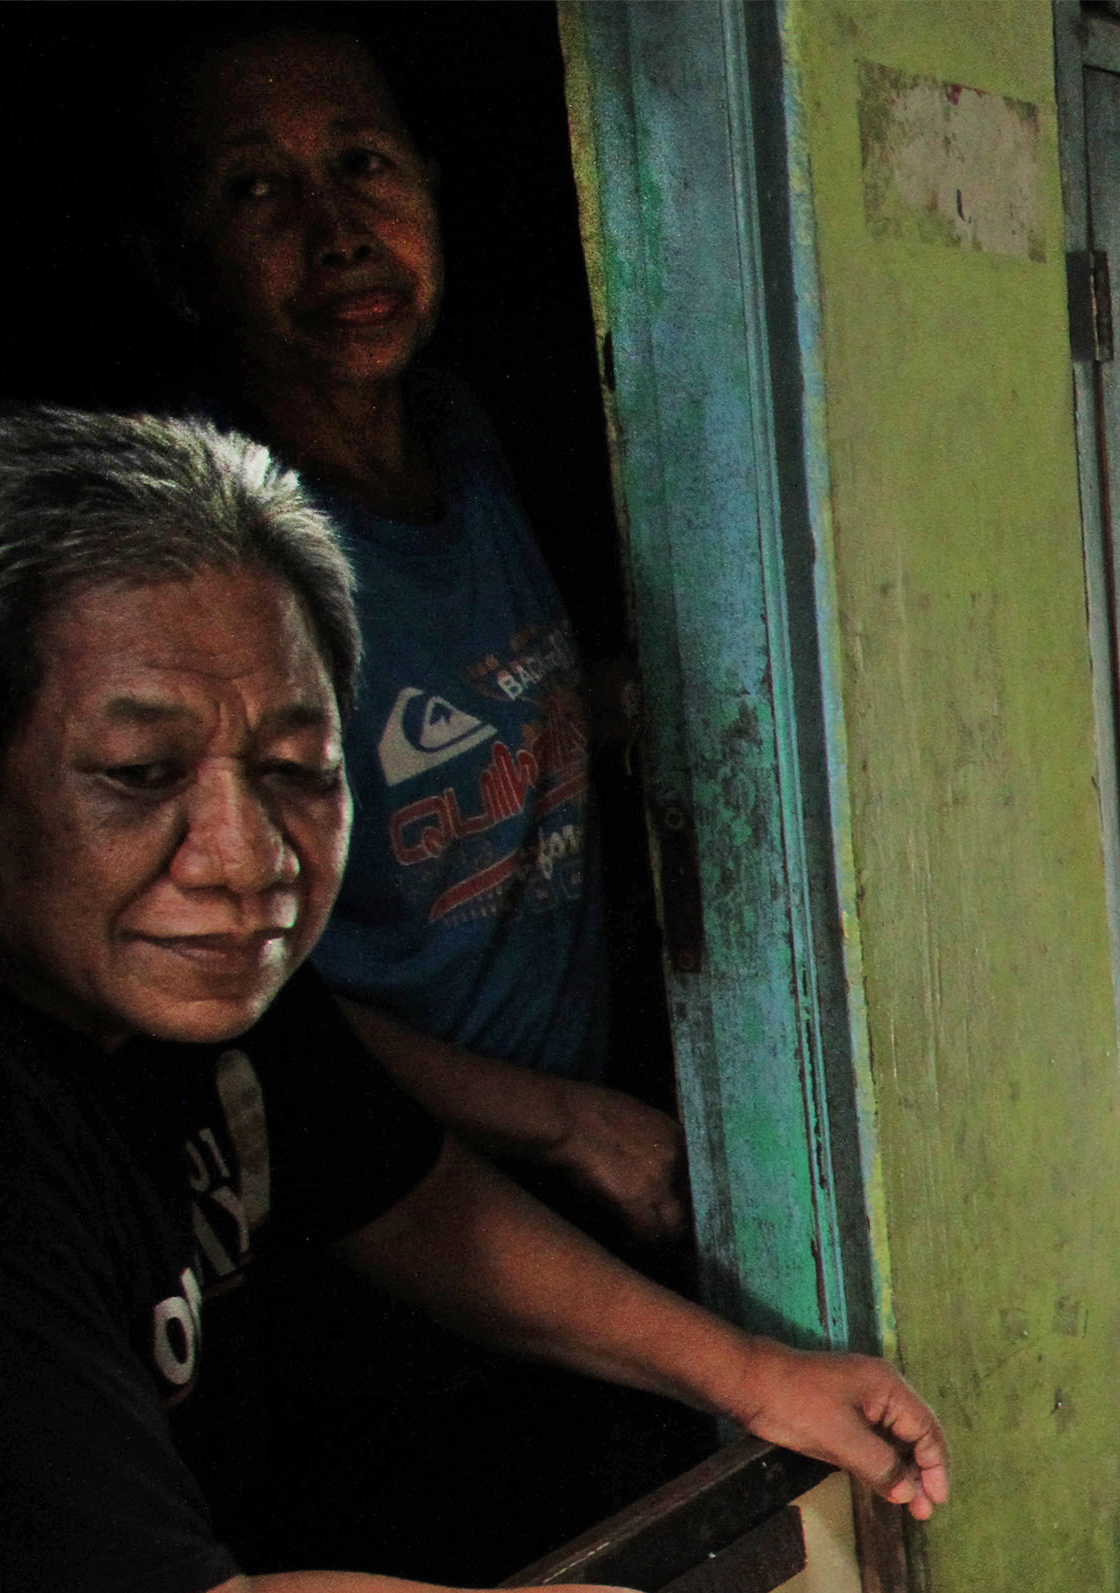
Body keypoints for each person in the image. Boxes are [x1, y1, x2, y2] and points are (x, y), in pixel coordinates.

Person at [0, 406, 949, 1593]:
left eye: (296, 770)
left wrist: (744, 1372)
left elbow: (407, 1199)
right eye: (137, 774)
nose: (244, 855)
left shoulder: (179, 974)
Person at [151, 17, 676, 1238]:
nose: (337, 234)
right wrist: (564, 1120)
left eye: (363, 164)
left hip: (590, 1151)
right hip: (407, 1211)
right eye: (257, 189)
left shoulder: (462, 432)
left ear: (428, 187)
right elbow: (253, 993)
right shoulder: (201, 552)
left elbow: (467, 710)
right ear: (175, 263)